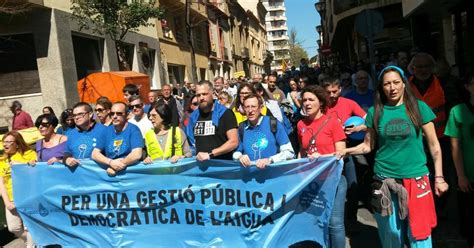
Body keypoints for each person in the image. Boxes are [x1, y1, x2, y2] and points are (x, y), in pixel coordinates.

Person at [345, 65, 449, 247]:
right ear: (381, 87)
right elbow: (368, 146)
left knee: (420, 234)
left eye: (396, 82)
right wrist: (344, 151)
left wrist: (439, 178)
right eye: (387, 84)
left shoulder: (419, 108)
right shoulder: (375, 112)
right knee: (391, 234)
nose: (392, 88)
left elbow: (434, 146)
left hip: (416, 179)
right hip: (385, 180)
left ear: (403, 84)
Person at [297, 85, 347, 248]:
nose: (307, 103)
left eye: (311, 99)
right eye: (304, 100)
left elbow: (341, 153)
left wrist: (321, 159)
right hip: (311, 182)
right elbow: (302, 151)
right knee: (316, 221)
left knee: (334, 223)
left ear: (320, 102)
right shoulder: (300, 125)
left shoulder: (332, 122)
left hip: (333, 181)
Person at [444, 74, 474, 246]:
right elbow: (455, 147)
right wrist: (461, 176)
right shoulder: (457, 111)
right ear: (468, 87)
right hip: (469, 174)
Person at [233, 94, 294, 168]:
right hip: (249, 176)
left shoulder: (273, 123)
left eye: (253, 106)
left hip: (272, 176)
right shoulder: (241, 127)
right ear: (243, 109)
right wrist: (240, 157)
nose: (250, 110)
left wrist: (270, 160)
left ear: (261, 108)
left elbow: (289, 152)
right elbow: (236, 152)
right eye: (247, 107)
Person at [185, 80, 239, 161]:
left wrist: (210, 154)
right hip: (201, 168)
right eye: (198, 95)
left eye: (204, 94)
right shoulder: (193, 116)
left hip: (223, 167)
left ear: (213, 94)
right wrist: (183, 157)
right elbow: (192, 144)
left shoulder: (225, 113)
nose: (201, 98)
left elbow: (234, 142)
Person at [0, 131, 36, 248]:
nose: (5, 145)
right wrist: (7, 202)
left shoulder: (29, 154)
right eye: (4, 142)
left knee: (29, 227)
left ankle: (31, 244)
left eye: (9, 142)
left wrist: (21, 165)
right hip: (10, 199)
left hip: (27, 197)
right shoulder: (1, 160)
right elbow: (1, 182)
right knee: (13, 228)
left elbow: (35, 173)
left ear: (17, 143)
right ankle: (34, 241)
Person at [92, 102, 143, 176]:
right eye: (112, 114)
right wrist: (110, 162)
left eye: (119, 113)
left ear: (127, 115)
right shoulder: (106, 131)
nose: (114, 116)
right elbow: (94, 154)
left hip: (129, 175)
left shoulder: (133, 129)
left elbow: (137, 154)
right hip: (111, 175)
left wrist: (116, 166)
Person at [62, 102, 106, 167]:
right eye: (74, 115)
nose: (76, 117)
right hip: (78, 174)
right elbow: (67, 152)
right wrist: (67, 159)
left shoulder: (104, 130)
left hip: (98, 174)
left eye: (80, 114)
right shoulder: (71, 134)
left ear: (90, 114)